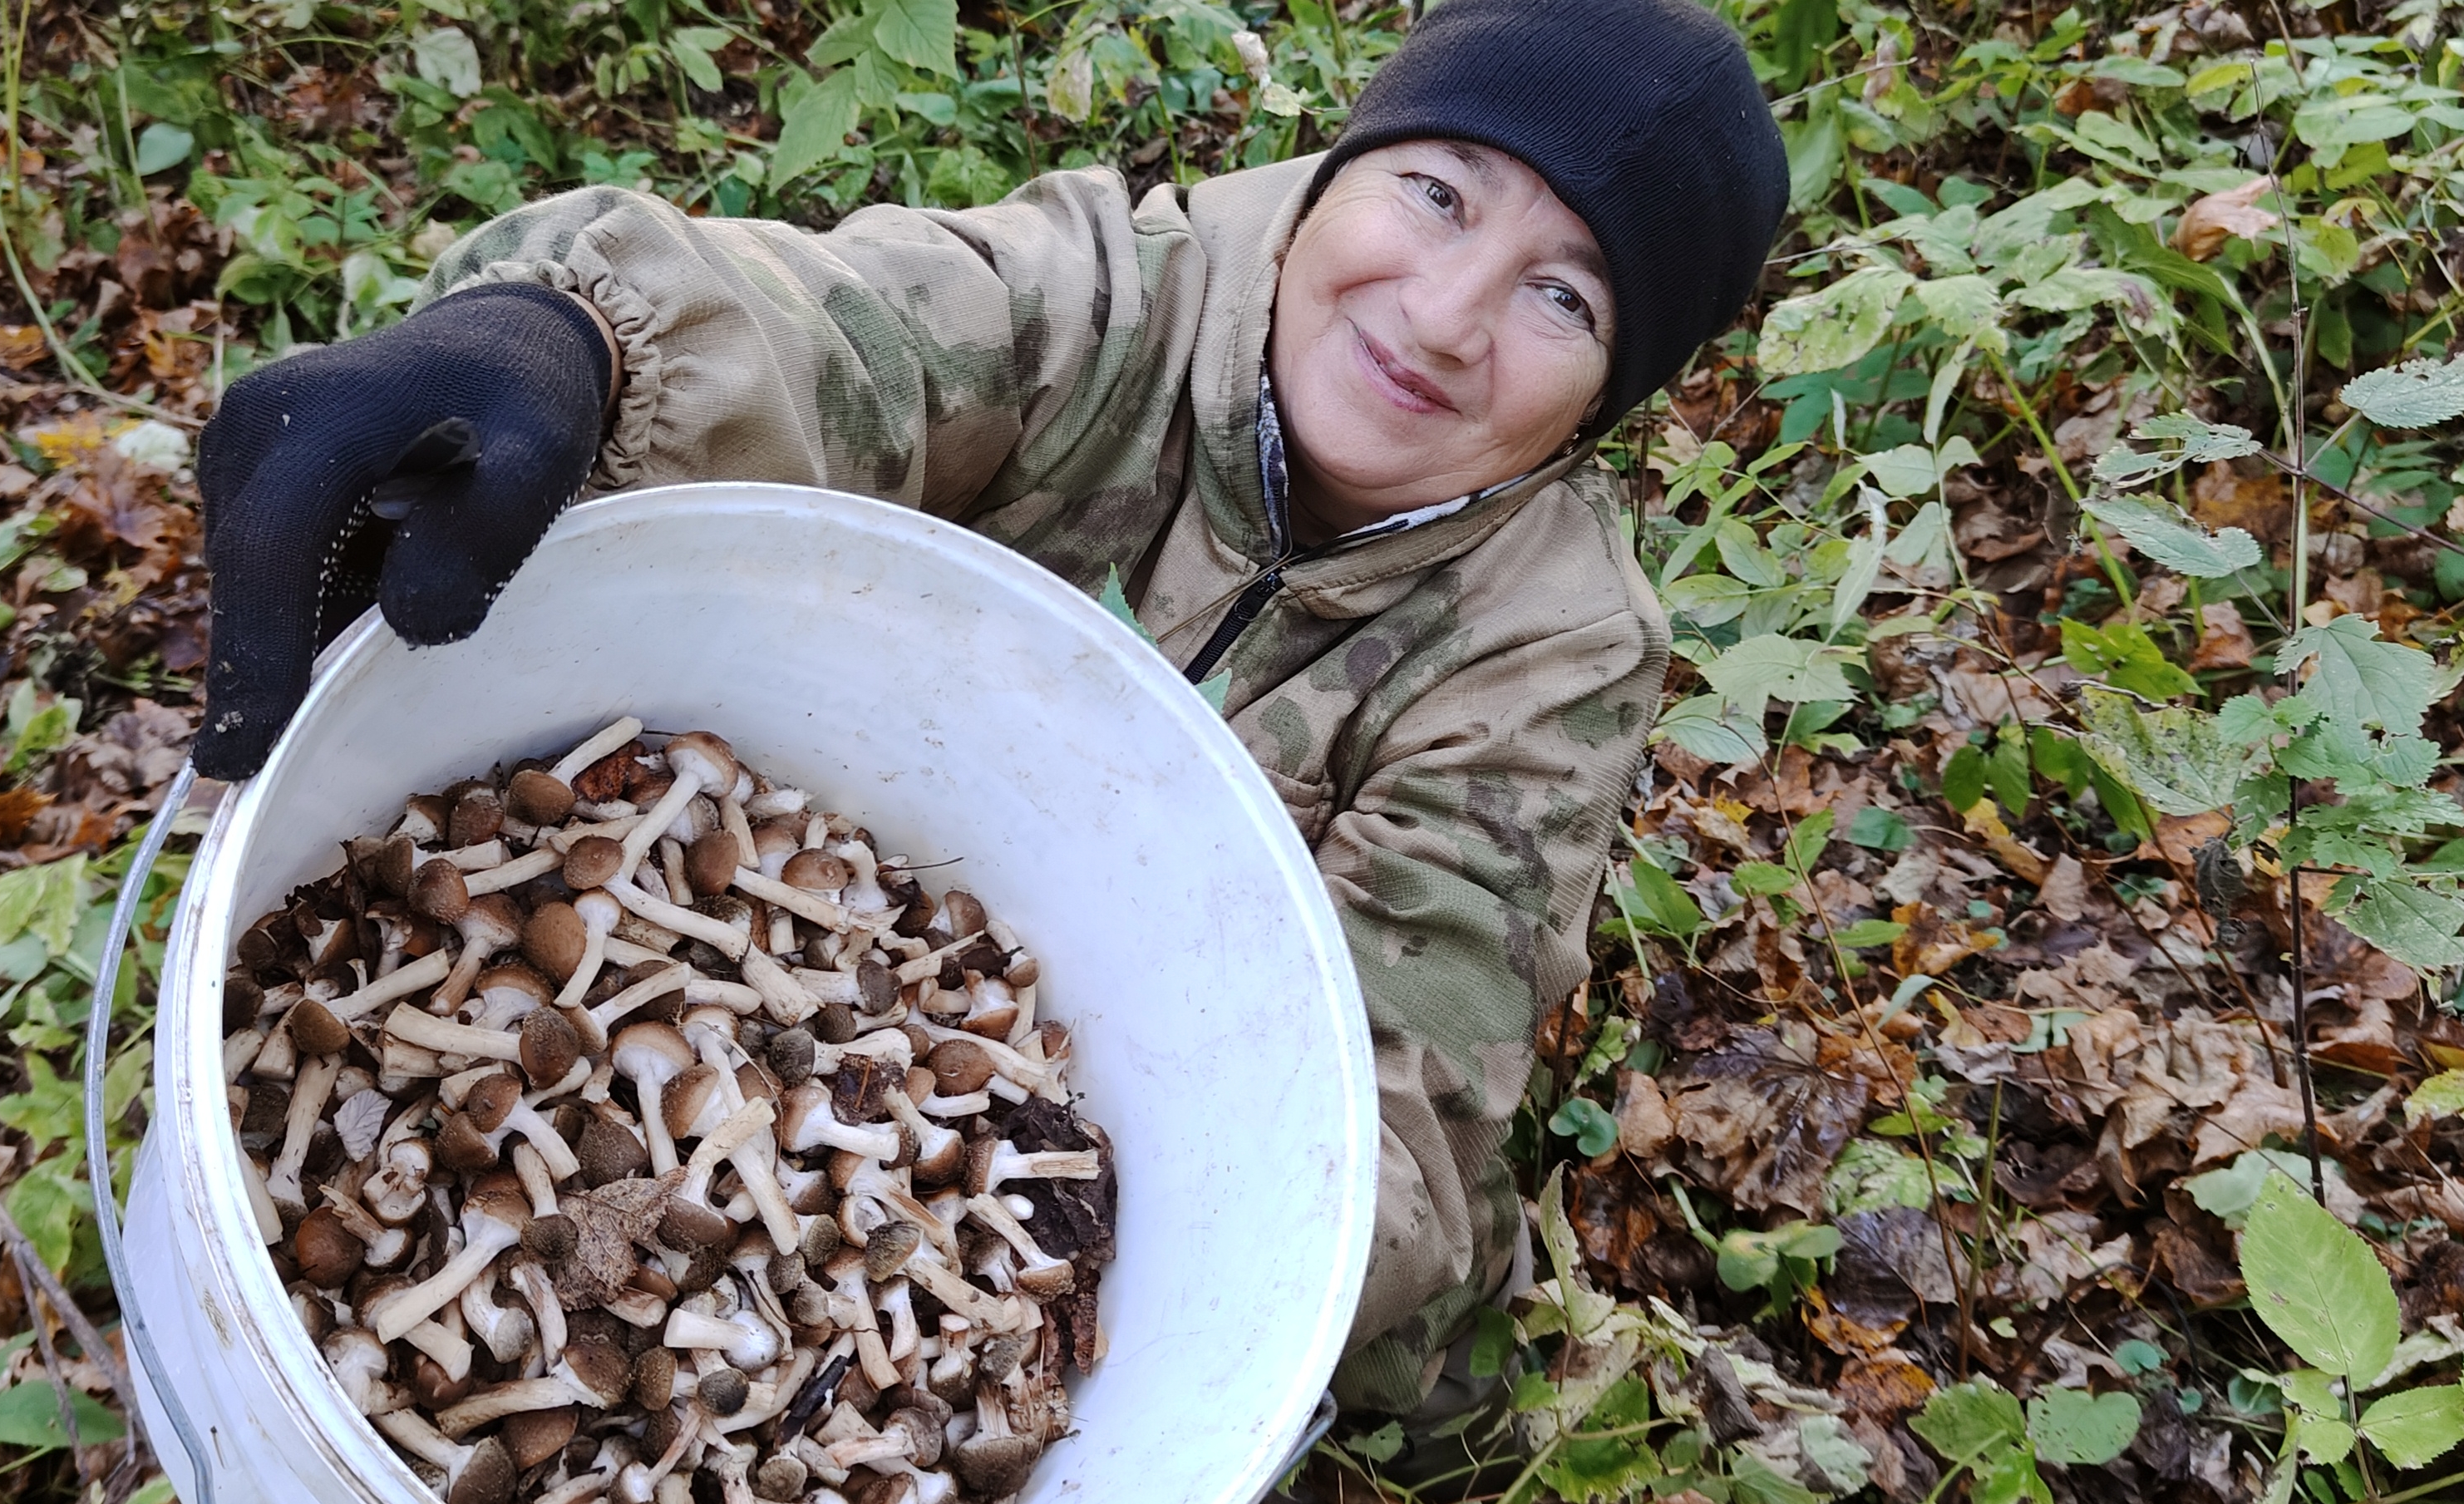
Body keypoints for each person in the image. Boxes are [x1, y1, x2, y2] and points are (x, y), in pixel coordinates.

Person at [189, 0, 1786, 1417]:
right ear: (1334, 171)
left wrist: (1097, 1280)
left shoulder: (1553, 642)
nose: (1443, 316)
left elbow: (1402, 1071)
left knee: (1379, 1343)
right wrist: (566, 343)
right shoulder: (1115, 299)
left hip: (1140, 1076)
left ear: (1607, 402)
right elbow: (845, 331)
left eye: (1562, 299)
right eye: (1436, 194)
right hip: (817, 896)